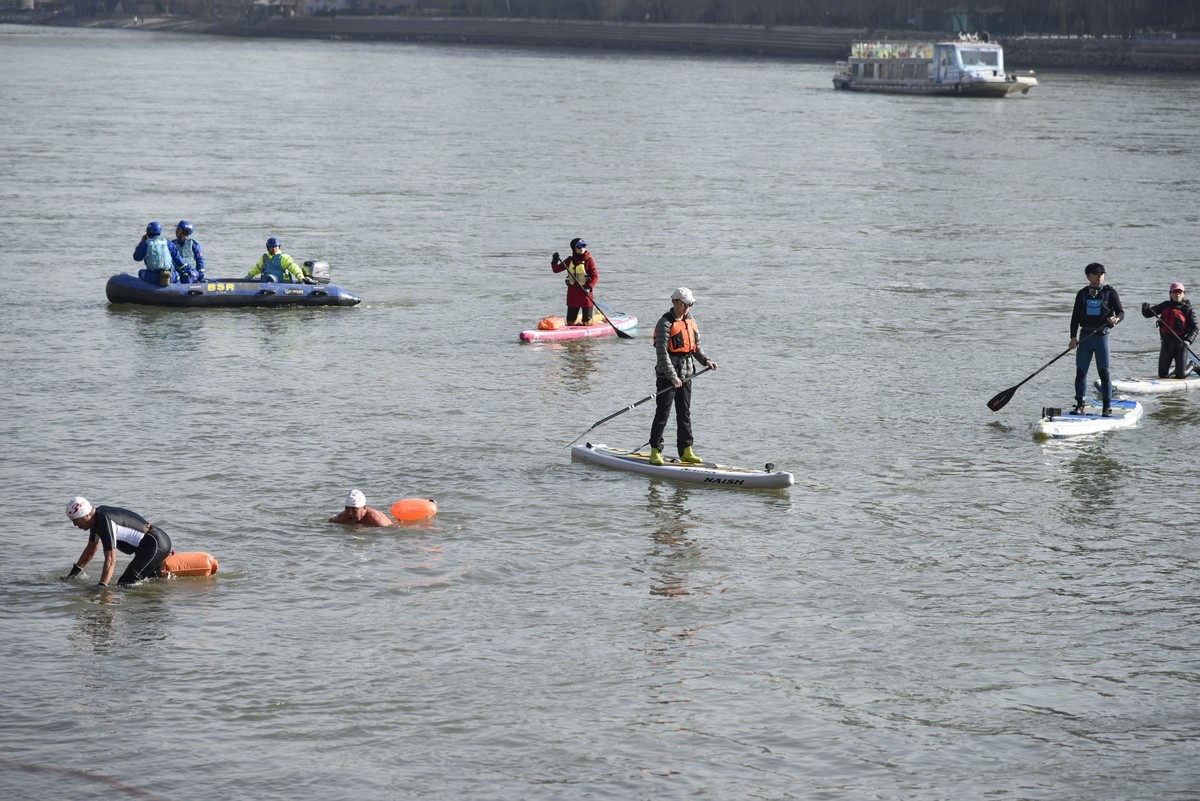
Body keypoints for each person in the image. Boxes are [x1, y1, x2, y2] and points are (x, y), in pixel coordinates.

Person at [649, 287, 718, 466]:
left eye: (690, 304)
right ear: (674, 302)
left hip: (686, 375)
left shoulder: (690, 321)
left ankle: (686, 450)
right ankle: (655, 450)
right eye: (684, 304)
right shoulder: (664, 323)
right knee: (662, 413)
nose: (687, 308)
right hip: (667, 377)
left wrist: (706, 361)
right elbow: (662, 354)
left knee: (684, 413)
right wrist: (672, 376)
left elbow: (695, 347)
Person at [61, 497, 172, 587]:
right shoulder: (96, 521)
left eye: (76, 520)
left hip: (155, 544)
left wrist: (102, 587)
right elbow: (91, 549)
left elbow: (111, 559)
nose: (75, 525)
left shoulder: (104, 520)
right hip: (150, 546)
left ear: (87, 515)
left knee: (125, 583)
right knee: (152, 581)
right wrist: (73, 574)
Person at [1069, 262, 1124, 416]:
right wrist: (1073, 337)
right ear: (1088, 276)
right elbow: (1075, 318)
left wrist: (1116, 319)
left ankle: (1106, 407)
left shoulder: (1110, 292)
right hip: (1085, 338)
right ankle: (1080, 405)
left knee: (1104, 373)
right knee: (1081, 372)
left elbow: (1121, 312)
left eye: (1102, 274)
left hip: (1102, 338)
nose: (1100, 276)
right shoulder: (1082, 294)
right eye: (1096, 274)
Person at [1141, 282, 1198, 379]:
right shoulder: (1165, 305)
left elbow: (1195, 328)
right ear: (1170, 293)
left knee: (1181, 376)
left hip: (1181, 345)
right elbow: (1148, 314)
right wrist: (1145, 308)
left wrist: (1188, 340)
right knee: (1163, 375)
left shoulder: (1187, 309)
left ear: (1183, 294)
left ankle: (1193, 365)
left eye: (1180, 292)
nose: (1177, 295)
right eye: (1175, 292)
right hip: (1166, 344)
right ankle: (1177, 368)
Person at [550, 237, 598, 326]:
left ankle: (598, 316)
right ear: (574, 248)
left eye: (584, 246)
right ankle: (578, 320)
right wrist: (554, 260)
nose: (582, 248)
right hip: (573, 294)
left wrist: (589, 288)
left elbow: (595, 276)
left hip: (585, 294)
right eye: (579, 247)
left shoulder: (589, 260)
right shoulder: (569, 260)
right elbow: (556, 269)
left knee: (587, 323)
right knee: (570, 323)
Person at [133, 221, 188, 286]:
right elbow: (180, 261)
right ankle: (177, 287)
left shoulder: (146, 244)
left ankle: (148, 288)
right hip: (170, 276)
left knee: (141, 272)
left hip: (153, 277)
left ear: (148, 232)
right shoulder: (168, 243)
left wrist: (142, 242)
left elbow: (137, 257)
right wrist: (188, 271)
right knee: (176, 276)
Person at [246, 237, 310, 283]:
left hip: (282, 285)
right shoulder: (264, 257)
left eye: (275, 247)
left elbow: (294, 268)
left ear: (279, 247)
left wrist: (301, 278)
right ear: (268, 248)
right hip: (266, 284)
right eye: (271, 247)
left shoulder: (284, 258)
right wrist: (246, 279)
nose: (274, 249)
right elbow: (256, 269)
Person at [328, 489, 393, 527]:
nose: (350, 514)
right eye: (347, 508)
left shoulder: (378, 521)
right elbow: (327, 523)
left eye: (354, 509)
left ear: (364, 508)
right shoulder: (343, 516)